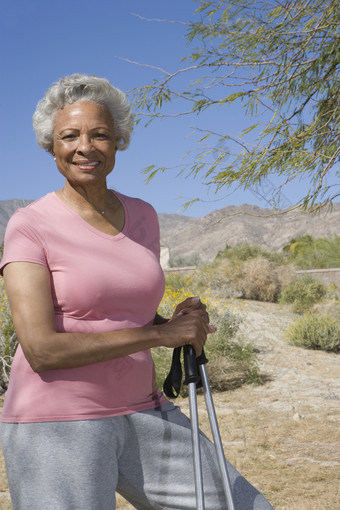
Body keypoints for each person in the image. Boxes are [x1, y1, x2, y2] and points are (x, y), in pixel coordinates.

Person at [0, 74, 274, 510]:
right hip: (57, 421)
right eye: (69, 136)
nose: (84, 147)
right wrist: (159, 336)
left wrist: (175, 325)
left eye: (100, 134)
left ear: (118, 142)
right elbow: (41, 350)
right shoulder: (30, 226)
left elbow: (125, 315)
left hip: (144, 409)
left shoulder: (143, 215)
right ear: (51, 146)